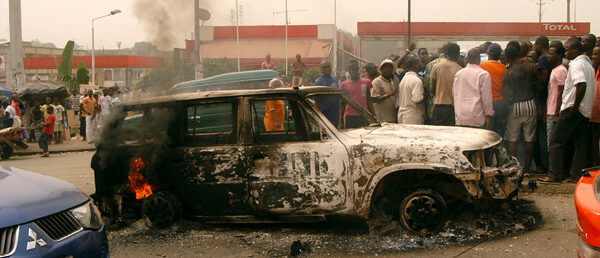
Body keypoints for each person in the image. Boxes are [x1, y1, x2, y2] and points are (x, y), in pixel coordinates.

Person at [544, 40, 596, 183]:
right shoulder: (588, 65)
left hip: (573, 108)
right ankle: (575, 175)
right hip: (585, 110)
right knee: (580, 144)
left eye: (568, 50)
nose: (565, 53)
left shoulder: (576, 64)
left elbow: (581, 84)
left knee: (555, 142)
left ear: (576, 50)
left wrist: (574, 106)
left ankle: (555, 175)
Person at [503, 42, 539, 174]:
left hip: (515, 106)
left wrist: (504, 114)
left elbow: (507, 95)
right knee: (530, 138)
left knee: (513, 139)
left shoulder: (509, 72)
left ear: (507, 56)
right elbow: (538, 85)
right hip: (531, 103)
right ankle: (527, 168)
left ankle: (514, 167)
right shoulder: (531, 66)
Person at [453, 48, 494, 128]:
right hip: (476, 117)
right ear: (479, 59)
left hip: (461, 116)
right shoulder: (483, 74)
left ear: (467, 59)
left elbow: (454, 93)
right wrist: (488, 115)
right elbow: (486, 98)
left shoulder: (459, 73)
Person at [431, 42, 462, 126]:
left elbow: (432, 88)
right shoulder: (460, 69)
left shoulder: (436, 66)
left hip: (439, 107)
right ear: (458, 54)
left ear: (446, 53)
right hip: (453, 108)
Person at [480, 43, 507, 134]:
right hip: (500, 103)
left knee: (487, 131)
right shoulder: (504, 68)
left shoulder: (481, 66)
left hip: (486, 103)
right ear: (499, 55)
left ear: (488, 54)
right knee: (499, 131)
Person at [546, 41, 568, 151]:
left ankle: (553, 168)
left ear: (559, 55)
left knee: (552, 143)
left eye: (551, 54)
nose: (549, 56)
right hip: (551, 110)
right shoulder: (555, 69)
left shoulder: (561, 71)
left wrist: (556, 114)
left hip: (554, 111)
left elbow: (561, 92)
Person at [534, 36, 551, 173]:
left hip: (544, 100)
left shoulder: (543, 58)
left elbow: (543, 78)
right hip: (549, 99)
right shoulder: (548, 57)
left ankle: (545, 165)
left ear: (540, 45)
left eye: (536, 44)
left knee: (542, 135)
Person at [341, 60, 373, 128]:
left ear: (358, 70)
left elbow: (369, 100)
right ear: (348, 71)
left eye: (354, 69)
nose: (353, 72)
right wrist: (340, 120)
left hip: (364, 115)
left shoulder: (366, 82)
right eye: (351, 70)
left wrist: (373, 115)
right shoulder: (344, 84)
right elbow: (343, 103)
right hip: (350, 116)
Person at [423, 43, 448, 123]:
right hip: (449, 107)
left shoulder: (430, 65)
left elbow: (426, 85)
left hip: (432, 107)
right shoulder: (454, 64)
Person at [396, 56, 425, 124]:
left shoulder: (404, 78)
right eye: (420, 62)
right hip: (412, 116)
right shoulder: (416, 80)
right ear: (416, 65)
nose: (422, 64)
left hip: (402, 114)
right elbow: (417, 99)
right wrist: (426, 96)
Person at [314, 60, 340, 126]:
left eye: (328, 66)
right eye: (324, 67)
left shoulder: (335, 79)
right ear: (321, 69)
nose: (327, 69)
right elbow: (317, 103)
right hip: (326, 117)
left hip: (336, 116)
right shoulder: (318, 83)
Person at [588, 45, 600, 166]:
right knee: (594, 143)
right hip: (594, 114)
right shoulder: (595, 70)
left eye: (597, 54)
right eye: (594, 54)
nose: (594, 57)